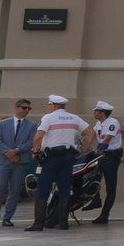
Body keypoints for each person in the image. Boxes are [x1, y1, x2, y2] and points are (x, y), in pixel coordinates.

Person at [29, 93, 91, 231]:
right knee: (65, 188)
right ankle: (63, 222)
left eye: (49, 105)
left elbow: (38, 137)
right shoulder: (74, 118)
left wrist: (35, 152)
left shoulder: (48, 118)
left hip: (51, 157)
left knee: (43, 188)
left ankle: (39, 223)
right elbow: (91, 133)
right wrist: (82, 149)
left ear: (53, 105)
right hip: (68, 157)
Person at [0, 99, 36, 229]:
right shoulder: (3, 123)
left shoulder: (31, 125)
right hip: (3, 160)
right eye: (24, 108)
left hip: (20, 160)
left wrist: (16, 151)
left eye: (28, 109)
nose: (26, 111)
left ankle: (7, 217)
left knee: (14, 190)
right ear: (16, 108)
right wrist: (8, 153)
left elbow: (31, 142)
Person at [87, 100, 124, 224]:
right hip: (101, 156)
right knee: (93, 177)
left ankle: (105, 214)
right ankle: (96, 199)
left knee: (110, 186)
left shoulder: (112, 123)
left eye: (96, 111)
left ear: (102, 113)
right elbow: (90, 135)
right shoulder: (99, 124)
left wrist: (99, 150)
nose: (93, 112)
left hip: (110, 157)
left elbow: (107, 139)